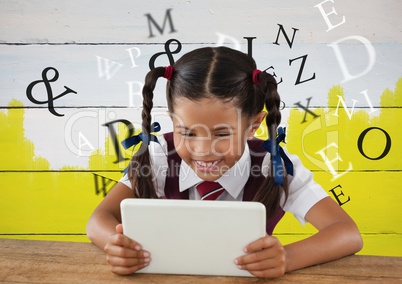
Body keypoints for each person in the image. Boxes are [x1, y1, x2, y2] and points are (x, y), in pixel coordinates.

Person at [86, 45, 363, 278]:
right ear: (172, 120)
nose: (203, 150)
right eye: (187, 132)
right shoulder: (158, 156)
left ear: (254, 124)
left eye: (221, 133)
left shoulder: (275, 166)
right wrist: (117, 245)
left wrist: (287, 258)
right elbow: (99, 219)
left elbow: (347, 233)